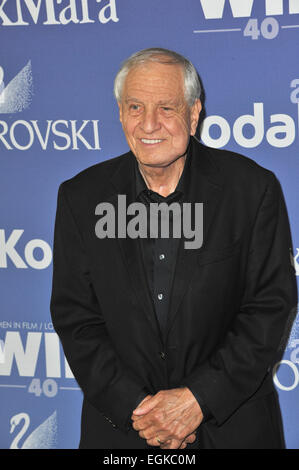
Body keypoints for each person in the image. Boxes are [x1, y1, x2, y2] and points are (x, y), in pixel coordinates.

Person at [50, 48, 298, 449]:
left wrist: (198, 400)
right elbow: (76, 317)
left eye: (166, 107)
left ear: (194, 113)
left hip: (231, 428)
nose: (149, 123)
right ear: (119, 112)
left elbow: (269, 308)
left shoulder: (251, 190)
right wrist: (139, 408)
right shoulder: (81, 198)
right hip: (124, 434)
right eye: (135, 106)